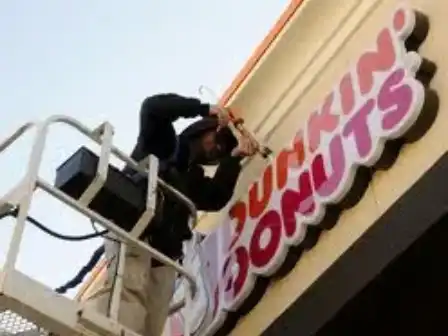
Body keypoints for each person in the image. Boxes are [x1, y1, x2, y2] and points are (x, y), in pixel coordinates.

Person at [84, 93, 257, 336]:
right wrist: (204, 108)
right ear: (203, 130)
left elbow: (216, 198)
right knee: (128, 292)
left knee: (153, 318)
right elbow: (153, 107)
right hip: (134, 226)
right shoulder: (164, 144)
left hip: (165, 251)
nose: (216, 150)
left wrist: (234, 160)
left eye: (221, 152)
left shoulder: (193, 179)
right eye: (216, 139)